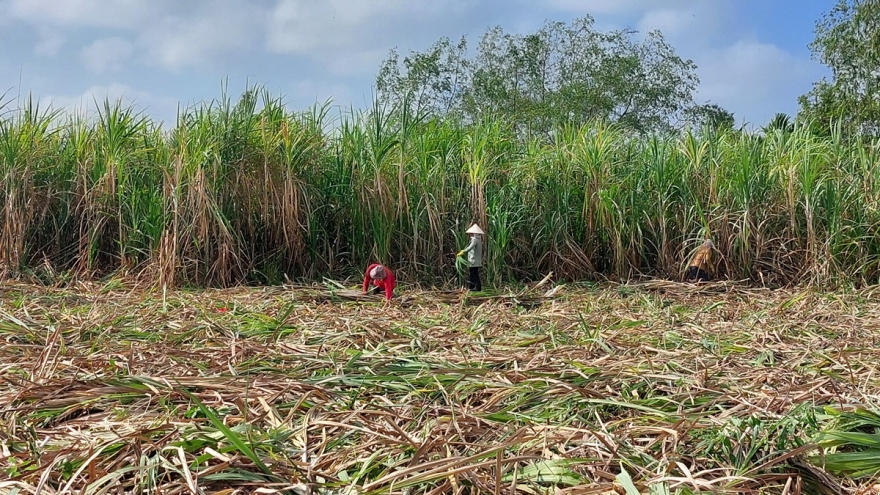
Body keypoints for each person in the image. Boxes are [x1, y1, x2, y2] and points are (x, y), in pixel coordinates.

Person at [457, 224, 484, 291]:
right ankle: (472, 287)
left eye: (471, 233)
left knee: (474, 274)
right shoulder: (478, 239)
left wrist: (463, 251)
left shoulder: (475, 240)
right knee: (473, 274)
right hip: (475, 260)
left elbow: (470, 247)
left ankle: (477, 288)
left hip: (473, 260)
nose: (470, 234)